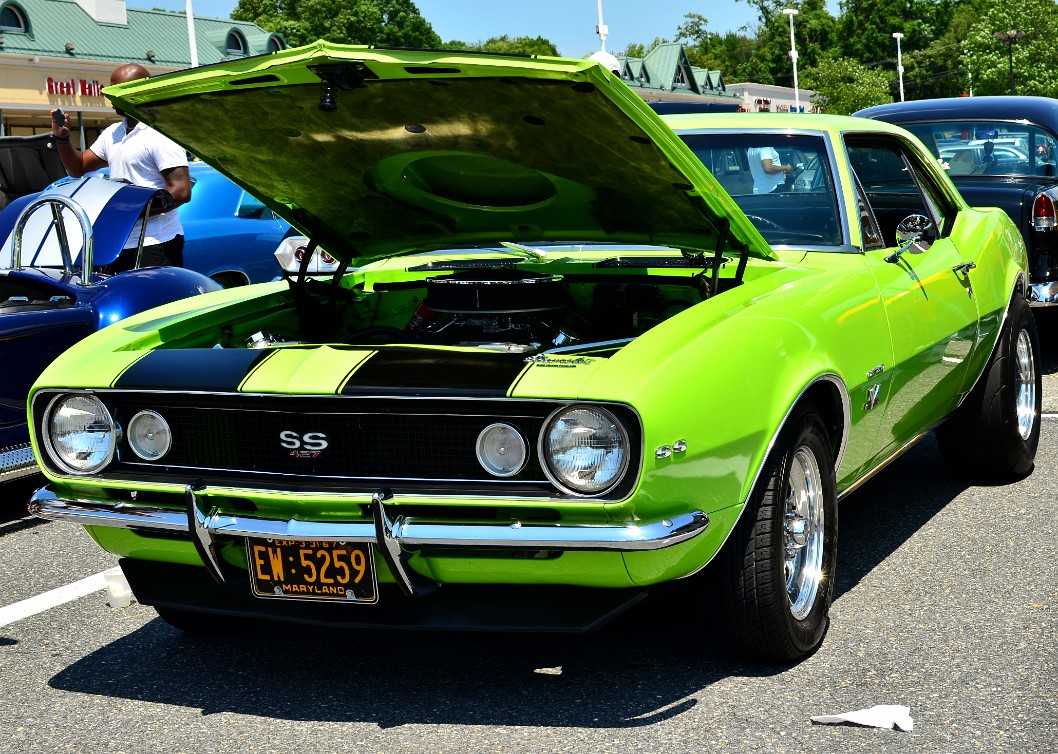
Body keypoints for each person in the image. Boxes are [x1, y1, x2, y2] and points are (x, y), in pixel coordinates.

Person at [50, 63, 191, 272]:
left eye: (117, 91)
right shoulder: (113, 133)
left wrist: (126, 212)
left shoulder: (160, 133)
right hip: (119, 242)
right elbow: (78, 167)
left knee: (153, 304)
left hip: (156, 243)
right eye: (109, 91)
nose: (110, 98)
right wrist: (62, 139)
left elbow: (181, 191)